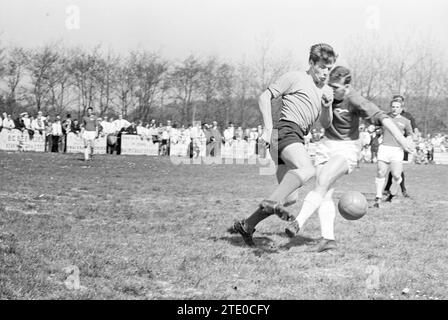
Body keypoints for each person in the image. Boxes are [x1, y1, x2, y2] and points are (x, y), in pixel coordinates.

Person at [283, 66, 414, 251]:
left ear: (347, 86)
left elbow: (382, 118)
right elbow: (325, 123)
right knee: (325, 192)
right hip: (325, 145)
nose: (333, 90)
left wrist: (401, 139)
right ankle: (328, 239)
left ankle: (298, 222)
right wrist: (326, 106)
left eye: (336, 87)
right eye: (331, 85)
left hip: (346, 148)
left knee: (323, 180)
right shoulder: (324, 93)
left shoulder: (355, 99)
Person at [233, 43, 337, 247]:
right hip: (284, 130)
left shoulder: (326, 90)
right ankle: (271, 202)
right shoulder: (296, 77)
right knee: (307, 169)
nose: (325, 72)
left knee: (289, 199)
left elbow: (326, 123)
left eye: (329, 68)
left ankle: (247, 225)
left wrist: (327, 106)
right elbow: (264, 97)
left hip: (295, 137)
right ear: (311, 62)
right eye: (322, 66)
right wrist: (268, 128)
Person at [374, 97, 413, 207]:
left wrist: (408, 141)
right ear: (390, 108)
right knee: (381, 172)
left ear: (401, 109)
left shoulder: (406, 121)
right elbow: (376, 126)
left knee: (396, 175)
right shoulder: (385, 118)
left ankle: (393, 192)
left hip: (397, 150)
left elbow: (410, 134)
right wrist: (375, 130)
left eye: (397, 107)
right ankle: (378, 197)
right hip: (384, 148)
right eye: (393, 107)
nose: (395, 109)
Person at [383, 95, 416, 198]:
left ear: (402, 104)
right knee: (392, 168)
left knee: (398, 168)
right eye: (395, 102)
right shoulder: (388, 116)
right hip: (388, 145)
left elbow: (413, 130)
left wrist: (410, 142)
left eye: (399, 102)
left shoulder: (407, 116)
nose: (396, 106)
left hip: (401, 146)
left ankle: (399, 189)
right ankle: (391, 189)